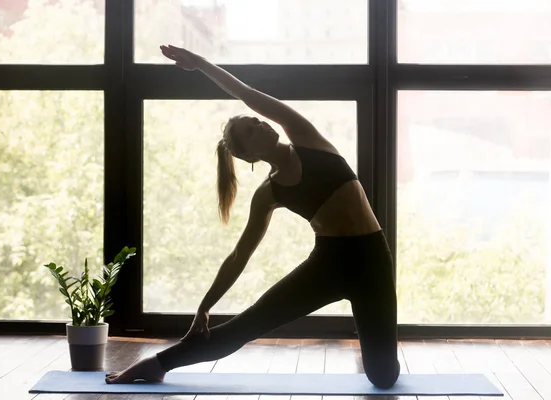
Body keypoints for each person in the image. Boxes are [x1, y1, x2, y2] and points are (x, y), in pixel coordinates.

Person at [105, 45, 399, 389]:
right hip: (328, 263)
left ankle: (378, 351)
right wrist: (204, 306)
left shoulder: (307, 138)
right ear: (248, 156)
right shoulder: (269, 194)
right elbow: (239, 256)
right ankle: (157, 364)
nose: (260, 123)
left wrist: (200, 63)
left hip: (372, 258)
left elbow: (248, 94)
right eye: (251, 130)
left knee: (383, 377)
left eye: (257, 121)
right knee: (247, 325)